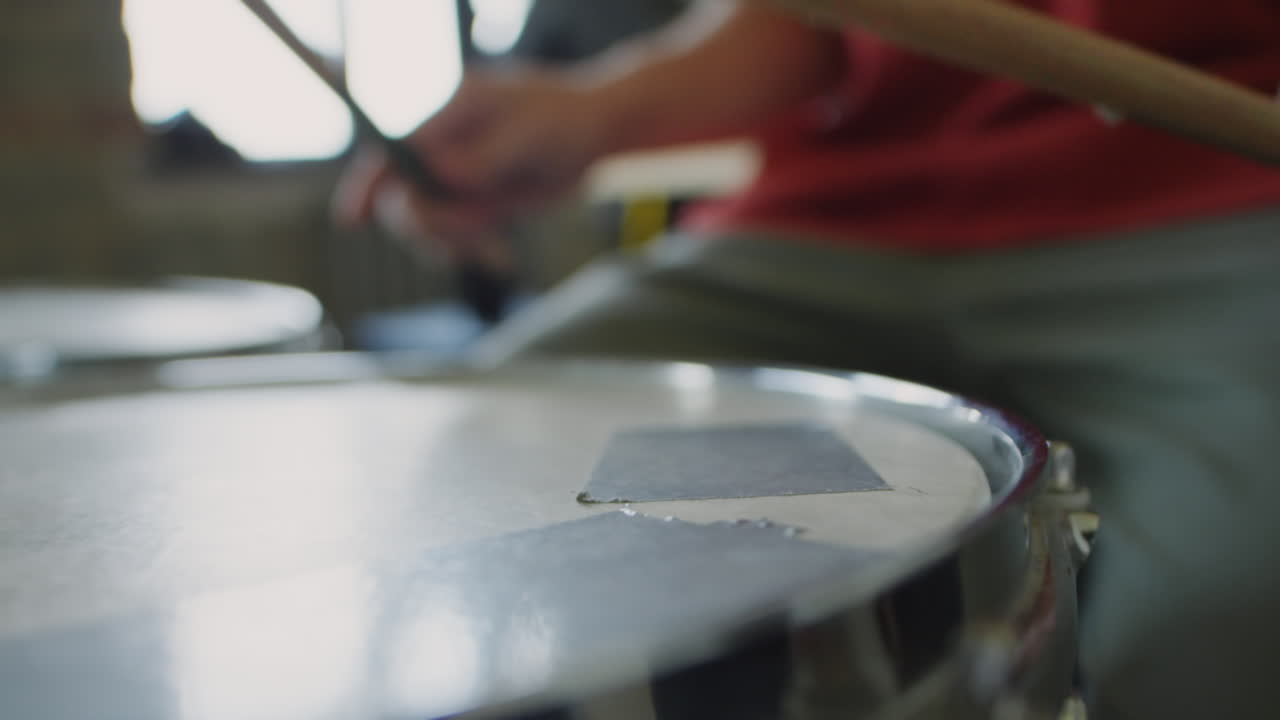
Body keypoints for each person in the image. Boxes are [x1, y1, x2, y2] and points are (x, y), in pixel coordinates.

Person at [334, 2, 1280, 718]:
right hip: (831, 216)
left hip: (1210, 187)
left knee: (1224, 614)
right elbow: (817, 27)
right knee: (454, 470)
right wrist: (598, 109)